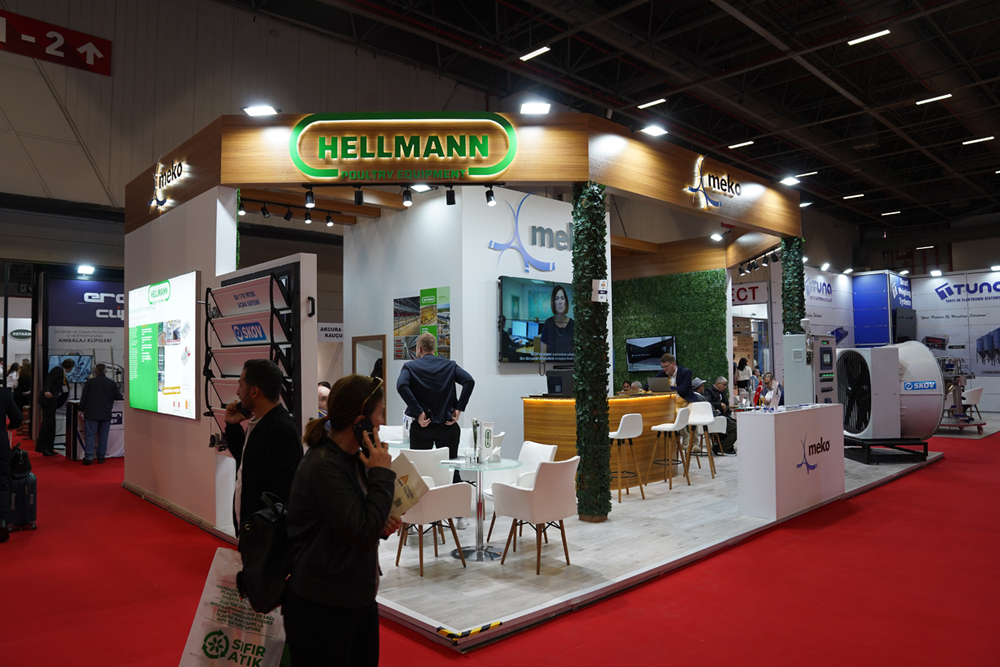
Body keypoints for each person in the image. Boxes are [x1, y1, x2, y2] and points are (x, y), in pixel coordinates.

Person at [283, 374, 400, 666]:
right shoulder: (323, 465)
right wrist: (382, 475)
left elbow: (354, 523)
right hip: (322, 606)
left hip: (355, 597)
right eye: (379, 414)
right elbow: (362, 533)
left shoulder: (354, 459)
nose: (381, 423)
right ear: (360, 422)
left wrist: (381, 524)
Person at [224, 359, 302, 537]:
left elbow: (280, 493)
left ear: (254, 391)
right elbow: (246, 460)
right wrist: (232, 425)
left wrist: (260, 532)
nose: (237, 392)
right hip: (254, 530)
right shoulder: (261, 422)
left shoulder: (279, 429)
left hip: (265, 536)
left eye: (240, 385)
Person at [396, 332, 474, 481]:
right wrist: (459, 408)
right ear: (435, 348)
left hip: (421, 428)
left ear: (419, 349)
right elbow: (469, 381)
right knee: (451, 471)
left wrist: (419, 412)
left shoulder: (410, 367)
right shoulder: (450, 365)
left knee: (419, 472)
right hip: (447, 426)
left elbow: (401, 386)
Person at [78, 364, 123, 465]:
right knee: (103, 436)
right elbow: (118, 397)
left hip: (91, 413)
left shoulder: (90, 382)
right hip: (106, 413)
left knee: (90, 436)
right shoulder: (112, 383)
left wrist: (81, 408)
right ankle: (101, 457)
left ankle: (89, 457)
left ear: (96, 372)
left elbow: (84, 398)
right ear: (106, 371)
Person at [36, 358, 74, 457]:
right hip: (48, 400)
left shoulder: (62, 374)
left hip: (52, 401)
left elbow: (57, 385)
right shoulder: (57, 370)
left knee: (51, 425)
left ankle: (48, 447)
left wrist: (66, 386)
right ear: (71, 367)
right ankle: (42, 446)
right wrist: (46, 391)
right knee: (48, 424)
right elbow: (49, 380)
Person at [0, 384, 24, 543]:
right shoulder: (3, 393)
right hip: (0, 444)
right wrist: (11, 426)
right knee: (2, 483)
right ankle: (2, 521)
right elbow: (17, 417)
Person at [539, 285, 573, 360]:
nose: (560, 302)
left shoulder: (573, 325)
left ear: (566, 302)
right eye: (556, 299)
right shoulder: (548, 324)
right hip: (551, 367)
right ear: (553, 303)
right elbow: (542, 356)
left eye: (562, 298)